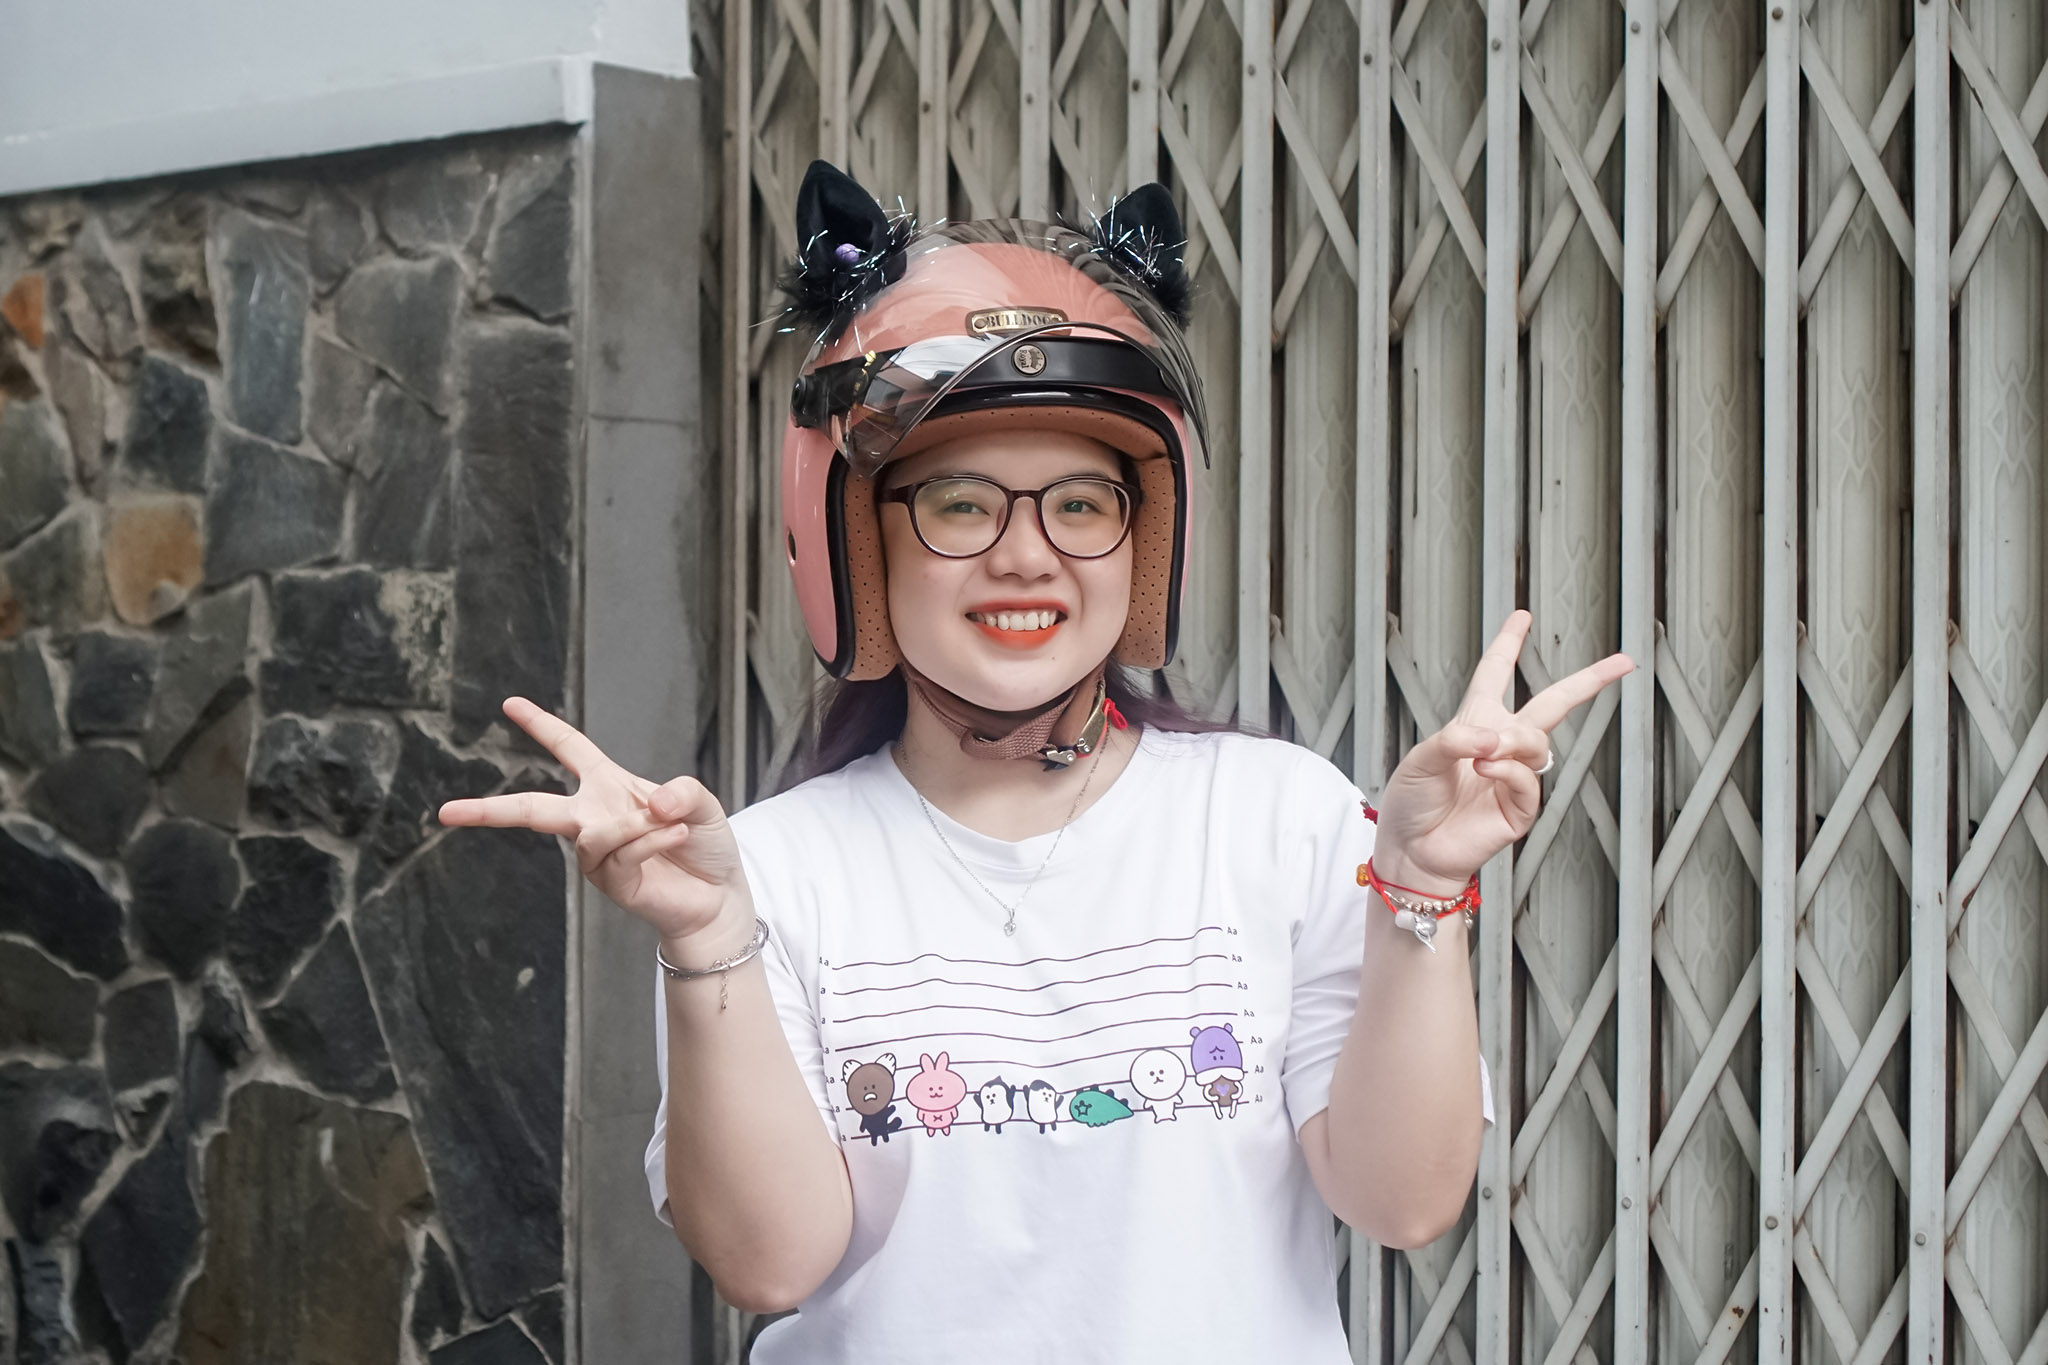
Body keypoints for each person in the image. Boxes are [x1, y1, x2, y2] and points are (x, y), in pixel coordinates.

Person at [438, 161, 1632, 1363]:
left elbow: (1402, 1200)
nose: (1026, 556)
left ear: (1143, 538)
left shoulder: (1276, 819)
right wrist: (705, 940)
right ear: (855, 540)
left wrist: (1421, 888)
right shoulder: (768, 871)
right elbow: (770, 1262)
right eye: (960, 504)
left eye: (1079, 504)